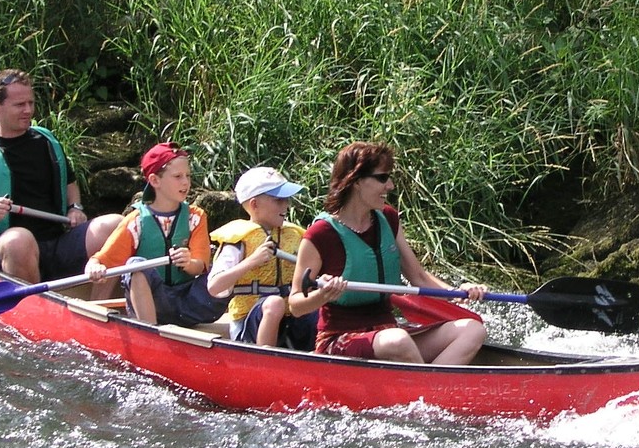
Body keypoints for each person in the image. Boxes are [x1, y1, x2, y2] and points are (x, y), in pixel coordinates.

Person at [288, 141, 488, 365]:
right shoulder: (320, 234)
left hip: (389, 331)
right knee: (397, 341)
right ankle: (429, 385)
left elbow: (419, 277)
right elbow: (295, 305)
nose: (390, 186)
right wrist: (322, 295)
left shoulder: (389, 219)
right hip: (340, 340)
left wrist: (458, 292)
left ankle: (426, 385)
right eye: (382, 178)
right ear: (356, 181)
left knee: (472, 330)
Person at [0, 69, 122, 298]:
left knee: (115, 224)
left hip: (56, 243)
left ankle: (97, 308)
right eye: (19, 105)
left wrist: (75, 207)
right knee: (19, 239)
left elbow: (70, 182)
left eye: (30, 103)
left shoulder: (46, 141)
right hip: (9, 250)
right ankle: (35, 303)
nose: (28, 110)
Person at [85, 142, 224, 327]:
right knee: (135, 265)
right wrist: (94, 267)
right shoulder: (135, 222)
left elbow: (200, 266)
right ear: (155, 180)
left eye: (188, 176)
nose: (186, 182)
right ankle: (149, 331)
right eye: (178, 176)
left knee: (225, 266)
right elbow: (102, 259)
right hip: (154, 303)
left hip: (187, 302)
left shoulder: (196, 217)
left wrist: (189, 263)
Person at [207, 166, 316, 349]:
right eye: (278, 200)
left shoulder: (294, 235)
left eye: (286, 199)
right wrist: (252, 261)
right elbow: (214, 287)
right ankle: (265, 359)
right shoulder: (238, 241)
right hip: (250, 321)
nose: (286, 205)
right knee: (274, 303)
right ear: (254, 204)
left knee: (318, 304)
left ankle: (323, 355)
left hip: (290, 318)